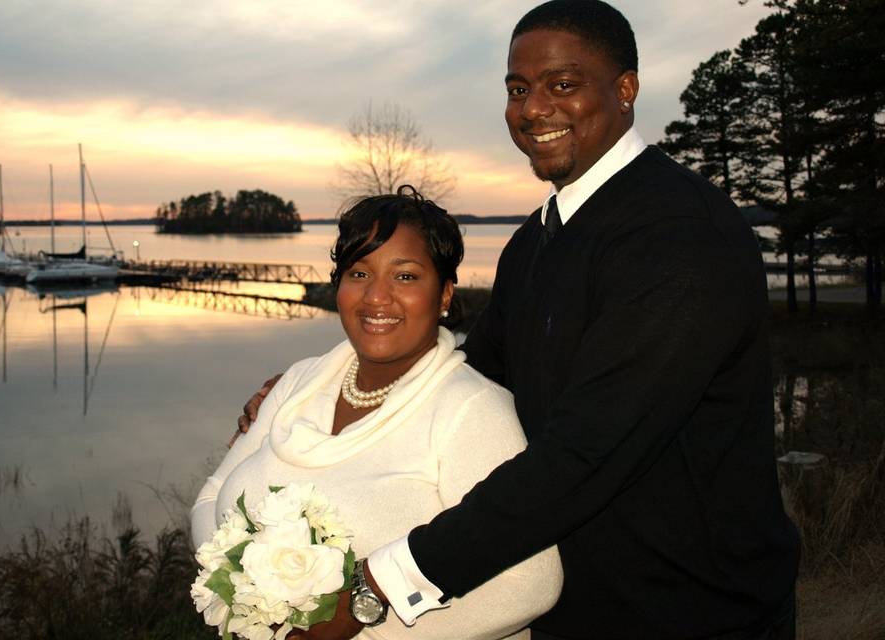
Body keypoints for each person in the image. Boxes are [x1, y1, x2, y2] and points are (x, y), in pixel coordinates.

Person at [236, 2, 801, 639]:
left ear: (625, 90)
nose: (533, 109)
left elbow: (587, 453)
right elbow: (466, 380)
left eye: (563, 85)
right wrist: (310, 396)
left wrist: (377, 586)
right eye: (517, 89)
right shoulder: (536, 241)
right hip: (572, 609)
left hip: (696, 611)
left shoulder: (679, 236)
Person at [195, 187, 563, 640]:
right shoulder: (297, 384)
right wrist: (239, 594)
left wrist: (355, 623)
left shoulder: (472, 411)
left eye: (405, 277)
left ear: (445, 293)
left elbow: (532, 583)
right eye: (359, 272)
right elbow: (211, 499)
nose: (376, 297)